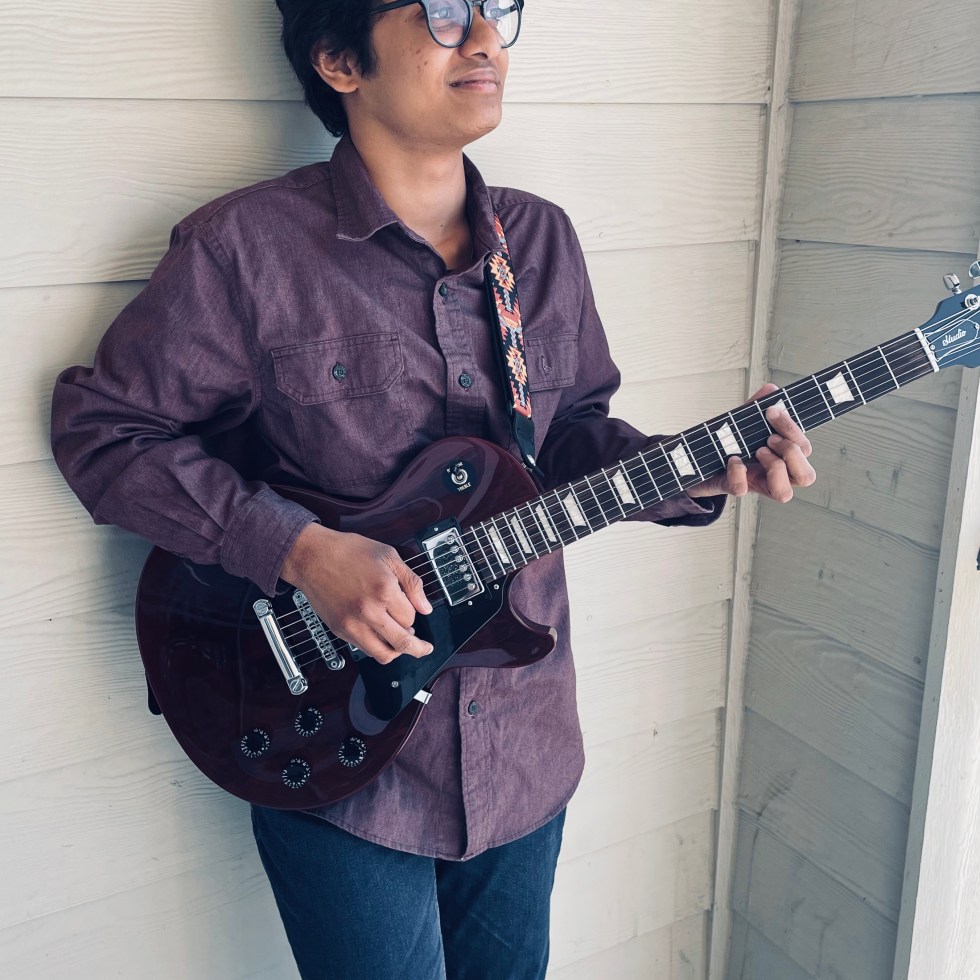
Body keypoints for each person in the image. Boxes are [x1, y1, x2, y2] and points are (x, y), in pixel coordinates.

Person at [50, 1, 816, 977]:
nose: (486, 36)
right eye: (445, 11)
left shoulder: (538, 241)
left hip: (524, 740)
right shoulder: (244, 250)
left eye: (498, 7)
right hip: (334, 756)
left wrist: (689, 468)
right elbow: (104, 432)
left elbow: (569, 435)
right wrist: (299, 551)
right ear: (339, 60)